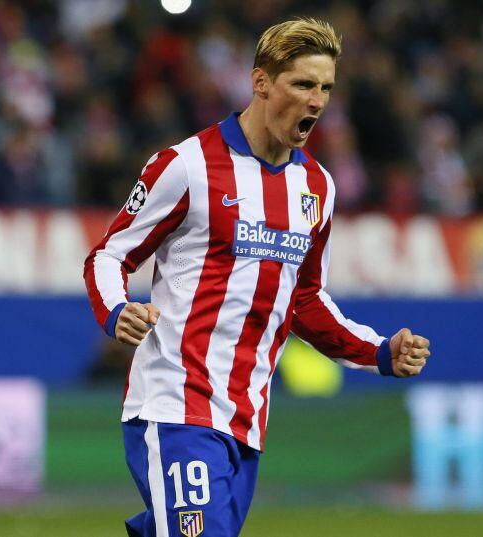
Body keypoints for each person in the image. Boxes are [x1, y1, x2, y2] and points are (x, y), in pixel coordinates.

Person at [84, 18, 431, 537]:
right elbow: (109, 256)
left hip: (245, 422)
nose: (317, 101)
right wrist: (117, 311)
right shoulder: (186, 166)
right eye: (303, 84)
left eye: (326, 88)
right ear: (261, 82)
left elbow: (306, 298)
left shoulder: (317, 186)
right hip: (176, 405)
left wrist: (380, 352)